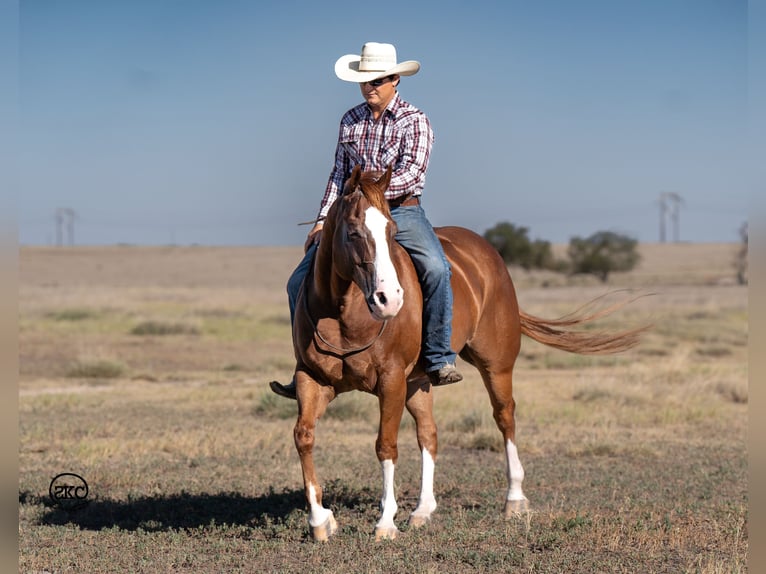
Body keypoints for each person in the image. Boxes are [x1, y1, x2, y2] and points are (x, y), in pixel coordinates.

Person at [270, 42, 462, 400]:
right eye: (365, 81)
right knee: (297, 281)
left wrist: (371, 184)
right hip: (349, 215)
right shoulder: (350, 120)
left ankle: (438, 356)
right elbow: (337, 175)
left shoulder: (415, 120)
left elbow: (412, 175)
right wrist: (321, 220)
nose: (370, 87)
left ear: (395, 80)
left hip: (399, 209)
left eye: (377, 80)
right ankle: (305, 366)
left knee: (436, 268)